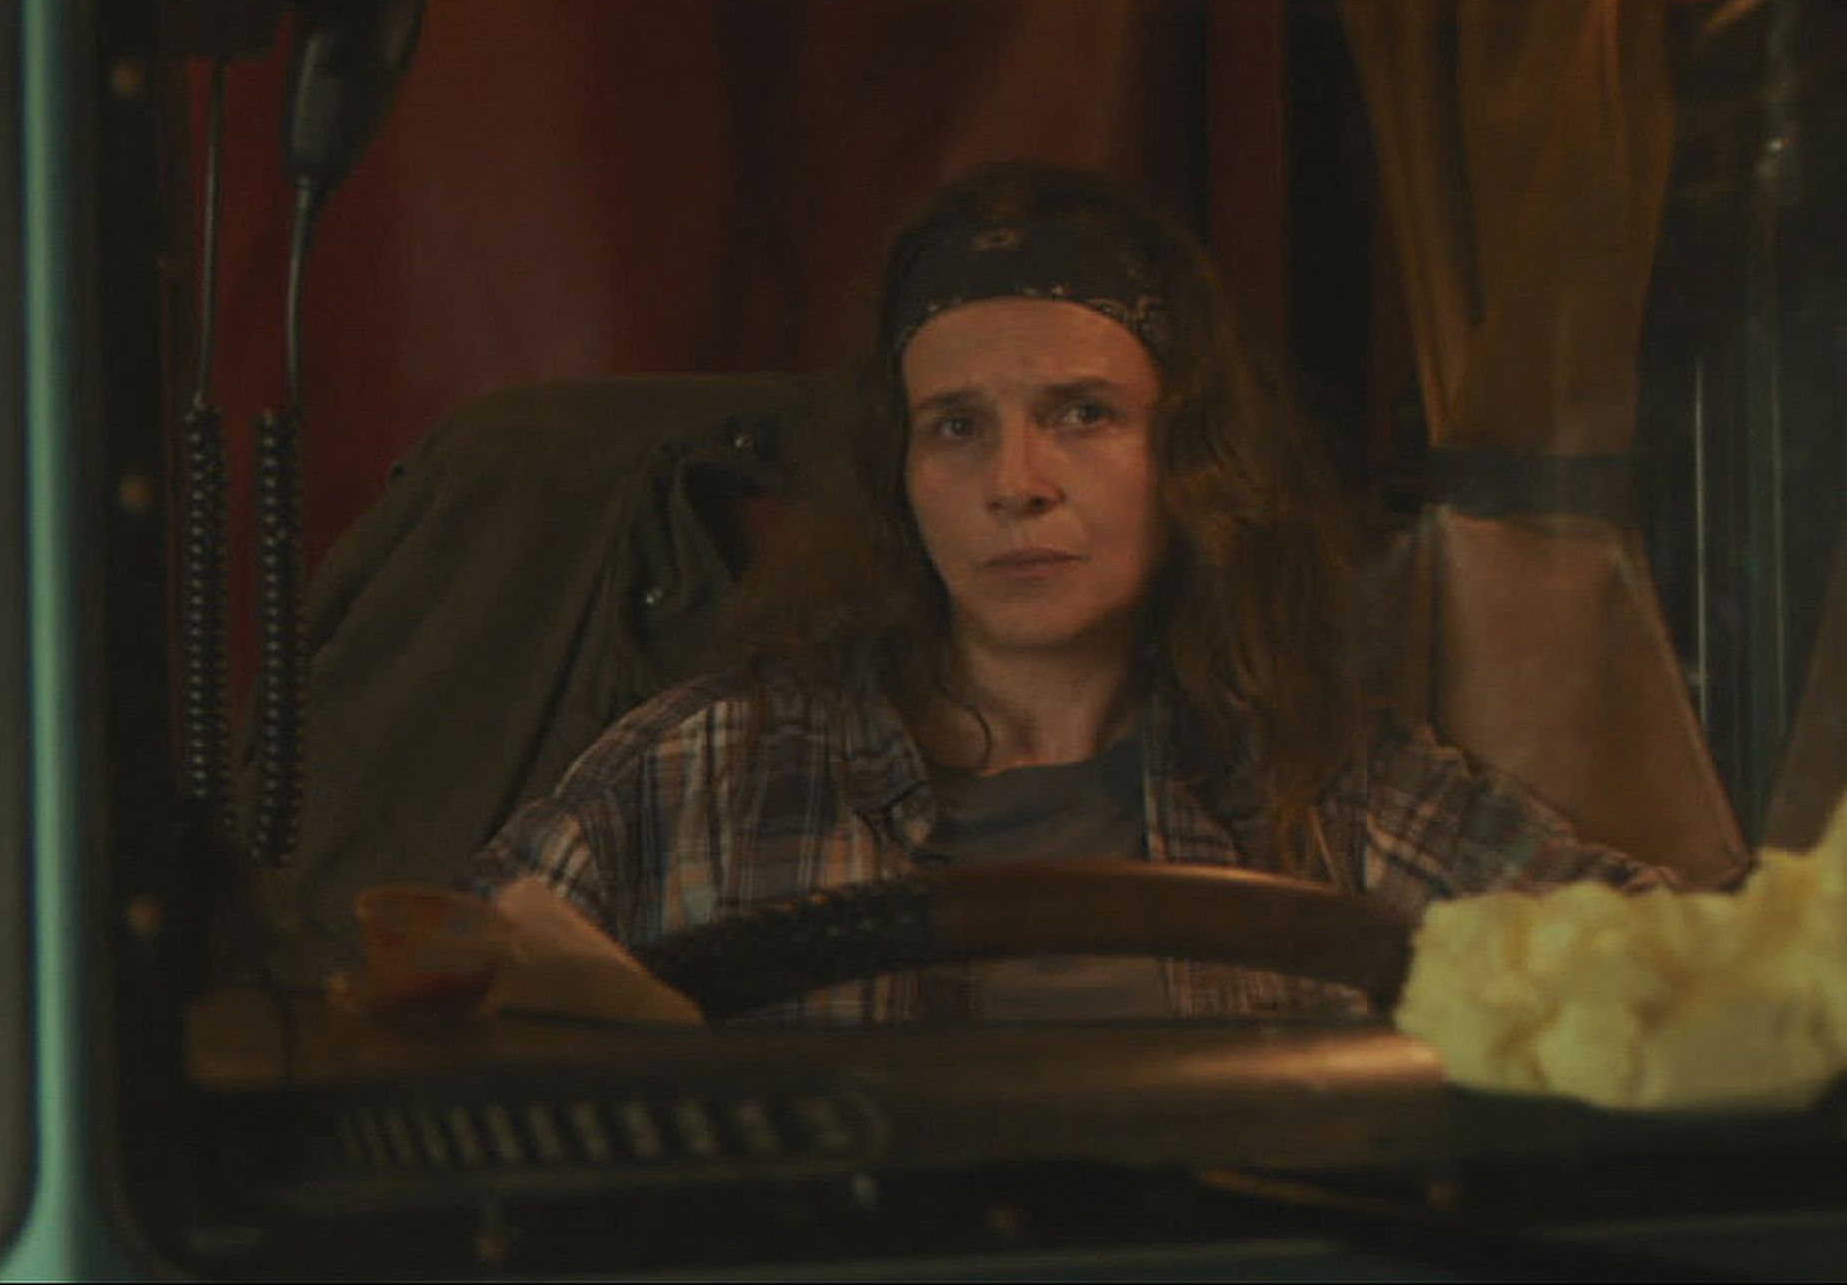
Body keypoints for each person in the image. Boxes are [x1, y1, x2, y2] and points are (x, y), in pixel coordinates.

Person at [474, 161, 1668, 1025]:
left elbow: (1664, 955)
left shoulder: (1326, 784)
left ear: (1185, 460)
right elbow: (430, 985)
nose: (1016, 483)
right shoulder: (699, 771)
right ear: (898, 474)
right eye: (957, 426)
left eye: (1082, 414)